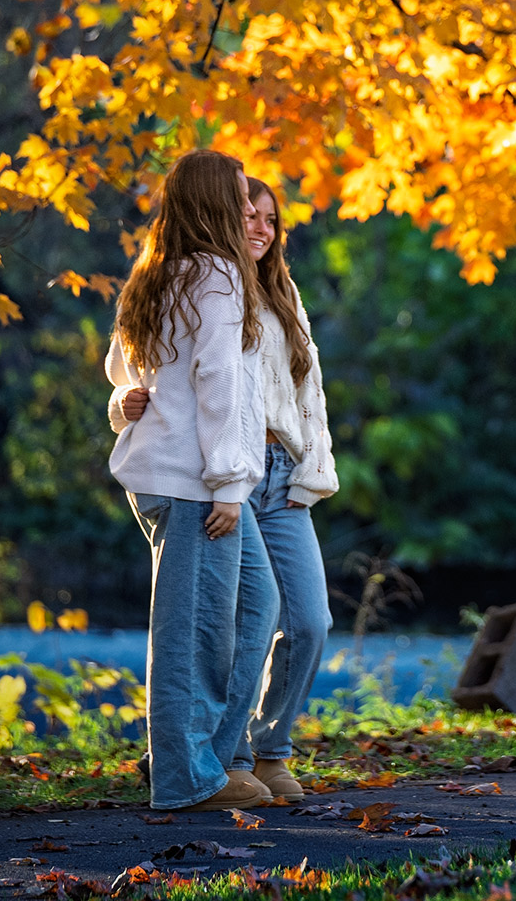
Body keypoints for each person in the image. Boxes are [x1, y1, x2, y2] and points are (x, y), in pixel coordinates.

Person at [113, 175, 337, 803]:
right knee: (238, 615)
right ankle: (224, 758)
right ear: (221, 216)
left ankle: (269, 750)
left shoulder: (281, 293)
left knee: (309, 620)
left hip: (278, 473)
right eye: (247, 214)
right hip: (221, 472)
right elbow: (149, 370)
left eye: (270, 218)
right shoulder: (200, 280)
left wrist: (315, 469)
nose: (260, 227)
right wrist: (121, 402)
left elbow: (308, 396)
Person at [104, 150, 281, 812]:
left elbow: (122, 368)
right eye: (238, 198)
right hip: (195, 483)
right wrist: (230, 485)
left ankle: (217, 759)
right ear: (211, 205)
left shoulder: (158, 272)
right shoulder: (216, 276)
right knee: (191, 634)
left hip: (177, 476)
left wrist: (124, 398)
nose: (247, 211)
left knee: (257, 606)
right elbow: (217, 389)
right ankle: (183, 779)